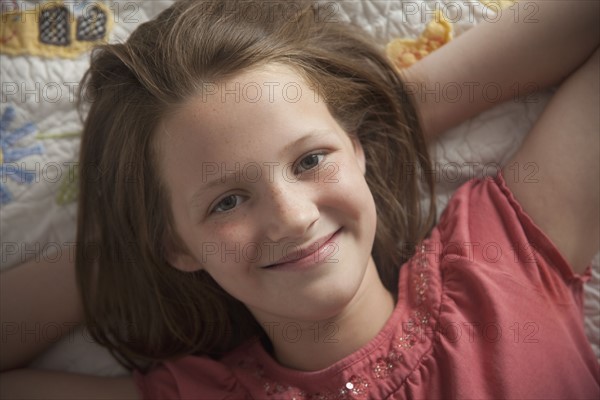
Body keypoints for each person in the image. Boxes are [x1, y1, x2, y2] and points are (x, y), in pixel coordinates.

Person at [1, 0, 598, 398]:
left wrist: (388, 118)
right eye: (227, 202)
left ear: (358, 147)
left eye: (311, 161)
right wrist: (139, 242)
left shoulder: (500, 262)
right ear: (175, 244)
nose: (292, 216)